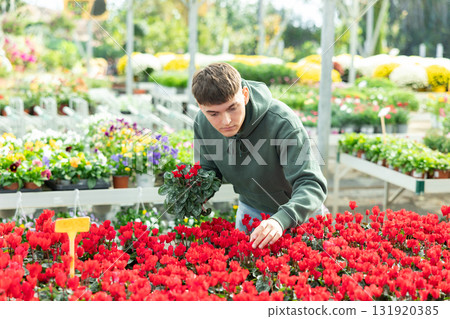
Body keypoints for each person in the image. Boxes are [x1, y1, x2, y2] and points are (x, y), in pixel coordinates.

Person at [192, 62, 327, 249]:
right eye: (213, 113)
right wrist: (195, 193)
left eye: (233, 108)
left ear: (245, 95)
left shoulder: (282, 123)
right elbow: (209, 170)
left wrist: (280, 220)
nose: (226, 121)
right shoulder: (202, 123)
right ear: (200, 106)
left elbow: (312, 184)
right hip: (251, 210)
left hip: (299, 214)